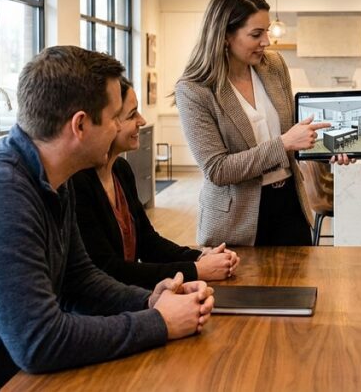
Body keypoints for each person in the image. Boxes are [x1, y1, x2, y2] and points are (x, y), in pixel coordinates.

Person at [0, 46, 215, 391]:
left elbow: (79, 281)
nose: (120, 127)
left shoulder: (51, 178)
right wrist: (159, 322)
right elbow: (40, 343)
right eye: (114, 118)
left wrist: (150, 301)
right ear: (79, 125)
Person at [176, 0, 348, 247]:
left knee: (301, 286)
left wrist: (329, 150)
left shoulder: (274, 65)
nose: (266, 42)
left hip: (291, 204)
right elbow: (217, 169)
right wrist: (283, 144)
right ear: (224, 35)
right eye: (256, 34)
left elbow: (294, 132)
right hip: (235, 218)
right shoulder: (194, 90)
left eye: (266, 31)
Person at [71, 79, 240, 289]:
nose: (141, 121)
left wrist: (200, 257)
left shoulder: (121, 170)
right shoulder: (76, 184)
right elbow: (109, 269)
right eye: (131, 115)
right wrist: (196, 270)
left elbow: (148, 242)